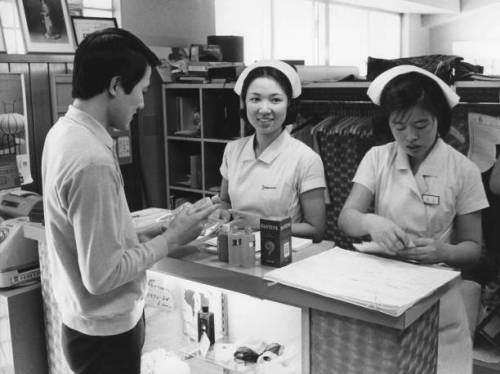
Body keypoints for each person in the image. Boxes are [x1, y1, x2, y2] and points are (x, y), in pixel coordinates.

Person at [41, 28, 217, 374]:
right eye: (141, 91)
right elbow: (103, 276)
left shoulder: (63, 133)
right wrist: (172, 239)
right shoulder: (91, 159)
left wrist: (158, 227)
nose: (142, 103)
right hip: (105, 338)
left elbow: (94, 240)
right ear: (115, 85)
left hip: (86, 328)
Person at [338, 65, 489, 374]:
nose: (411, 136)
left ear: (440, 120)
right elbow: (347, 217)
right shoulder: (378, 158)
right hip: (382, 287)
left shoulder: (464, 170)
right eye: (399, 126)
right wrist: (371, 224)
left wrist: (442, 251)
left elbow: (474, 248)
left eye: (422, 124)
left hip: (439, 293)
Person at [214, 59, 326, 241]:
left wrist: (260, 225)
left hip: (283, 253)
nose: (264, 109)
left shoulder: (306, 159)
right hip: (237, 247)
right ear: (245, 103)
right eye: (255, 99)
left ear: (289, 104)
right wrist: (222, 213)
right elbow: (225, 201)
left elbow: (316, 229)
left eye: (275, 100)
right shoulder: (232, 150)